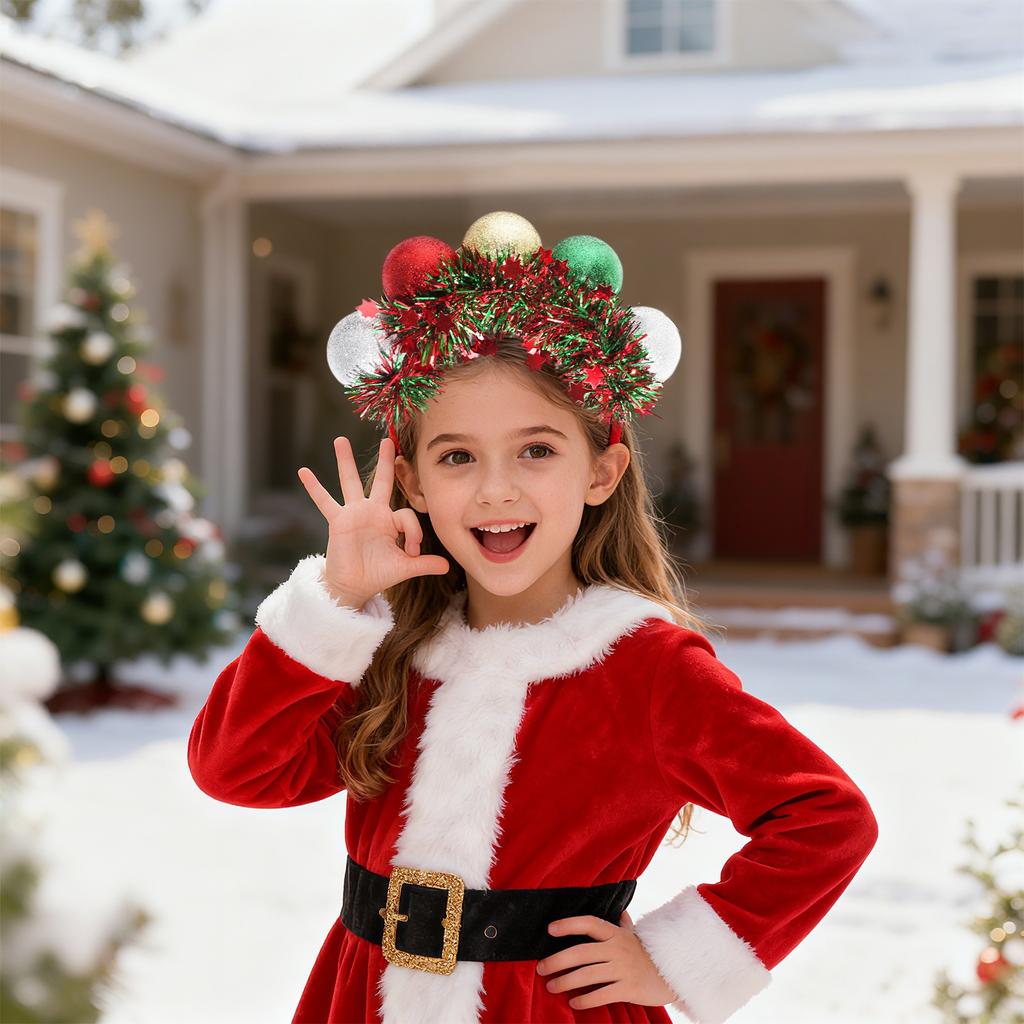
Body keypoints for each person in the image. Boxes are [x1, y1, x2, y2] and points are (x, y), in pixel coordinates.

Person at [188, 212, 879, 1024]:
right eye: (457, 457)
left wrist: (672, 958)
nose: (495, 489)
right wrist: (336, 605)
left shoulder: (647, 668)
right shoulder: (390, 651)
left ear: (602, 470)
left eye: (537, 450)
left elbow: (827, 816)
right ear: (411, 482)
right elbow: (234, 769)